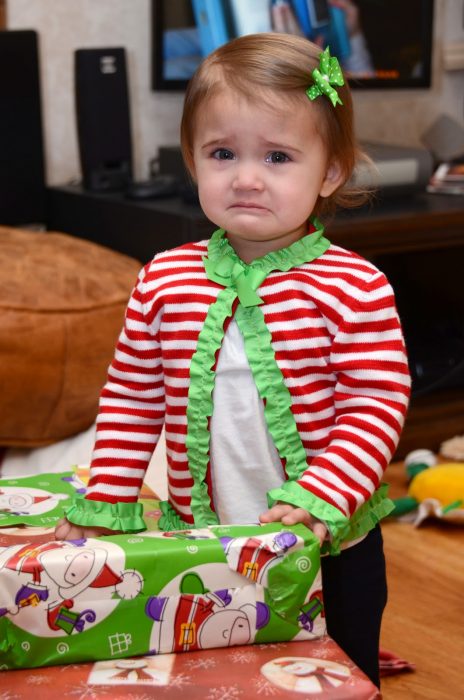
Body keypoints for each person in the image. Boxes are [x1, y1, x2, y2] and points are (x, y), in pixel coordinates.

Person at [56, 33, 411, 687]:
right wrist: (109, 494)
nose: (246, 177)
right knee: (222, 670)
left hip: (329, 545)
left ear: (330, 171)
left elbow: (377, 400)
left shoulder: (354, 285)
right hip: (205, 540)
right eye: (223, 153)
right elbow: (132, 396)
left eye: (278, 156)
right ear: (193, 159)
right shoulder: (164, 278)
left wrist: (325, 492)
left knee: (340, 669)